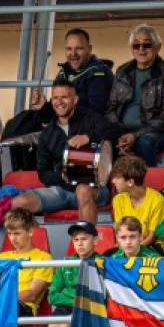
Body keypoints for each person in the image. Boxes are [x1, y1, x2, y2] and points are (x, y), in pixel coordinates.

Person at [10, 81, 117, 224]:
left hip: (93, 188)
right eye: (55, 98)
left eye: (65, 97)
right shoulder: (47, 134)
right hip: (61, 191)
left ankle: (87, 243)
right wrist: (63, 174)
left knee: (83, 191)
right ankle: (38, 244)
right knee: (18, 203)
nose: (59, 102)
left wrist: (88, 137)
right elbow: (43, 174)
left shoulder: (89, 119)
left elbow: (116, 130)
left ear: (75, 100)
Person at [15, 221, 103, 327]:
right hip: (69, 307)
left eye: (84, 239)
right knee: (54, 326)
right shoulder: (66, 262)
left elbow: (99, 293)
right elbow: (53, 295)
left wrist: (73, 296)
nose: (79, 243)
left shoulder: (101, 262)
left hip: (90, 309)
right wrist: (79, 295)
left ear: (95, 240)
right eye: (76, 239)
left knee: (63, 323)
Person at [104, 24, 164, 166]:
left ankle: (147, 185)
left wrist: (135, 135)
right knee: (102, 140)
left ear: (158, 46)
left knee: (146, 142)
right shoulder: (122, 71)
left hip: (160, 133)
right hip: (124, 131)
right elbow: (111, 108)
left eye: (146, 45)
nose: (141, 49)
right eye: (136, 45)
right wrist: (121, 135)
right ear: (131, 49)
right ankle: (105, 187)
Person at [31, 28, 113, 119]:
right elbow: (54, 114)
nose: (73, 53)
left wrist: (62, 121)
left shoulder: (98, 72)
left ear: (89, 49)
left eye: (78, 48)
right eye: (69, 49)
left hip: (83, 130)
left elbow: (96, 113)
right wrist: (43, 107)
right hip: (61, 127)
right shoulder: (64, 71)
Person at [0, 208, 53, 318]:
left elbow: (32, 295)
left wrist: (2, 297)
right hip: (0, 304)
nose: (12, 238)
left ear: (30, 231)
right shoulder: (0, 257)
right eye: (9, 233)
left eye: (17, 233)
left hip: (24, 307)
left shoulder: (44, 258)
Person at [109, 156, 164, 249]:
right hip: (126, 247)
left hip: (151, 247)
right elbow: (120, 233)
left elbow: (152, 237)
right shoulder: (118, 199)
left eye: (117, 178)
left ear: (130, 182)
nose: (113, 181)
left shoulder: (157, 200)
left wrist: (132, 251)